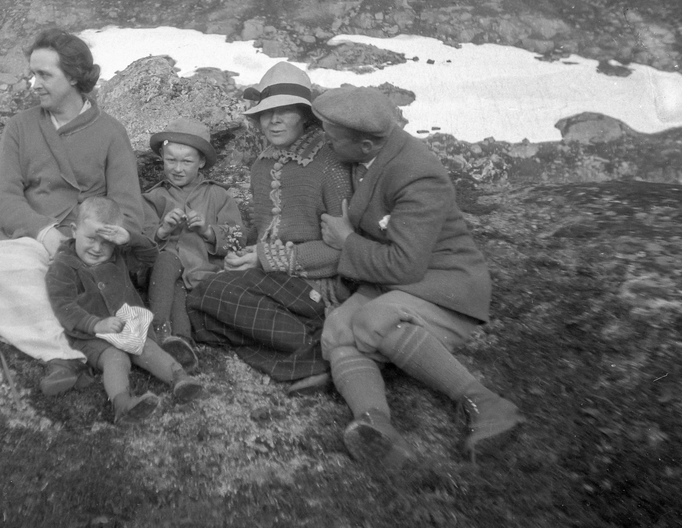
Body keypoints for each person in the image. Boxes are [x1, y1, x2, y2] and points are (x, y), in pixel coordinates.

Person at [314, 86, 523, 467]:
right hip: (400, 284)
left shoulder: (417, 173)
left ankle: (485, 404)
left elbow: (405, 264)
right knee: (337, 329)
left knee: (372, 320)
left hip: (446, 286)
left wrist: (347, 241)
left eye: (332, 138)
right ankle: (375, 425)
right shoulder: (374, 155)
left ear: (364, 145)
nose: (326, 144)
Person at [0, 29, 144, 396]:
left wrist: (92, 242)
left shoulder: (111, 133)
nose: (33, 84)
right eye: (32, 74)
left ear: (74, 77)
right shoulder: (19, 127)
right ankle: (66, 351)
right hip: (29, 239)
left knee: (56, 275)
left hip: (84, 245)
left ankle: (65, 354)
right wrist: (43, 232)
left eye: (44, 75)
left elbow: (128, 209)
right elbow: (5, 200)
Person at [187, 62, 354, 384]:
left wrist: (264, 259)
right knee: (197, 309)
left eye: (285, 111)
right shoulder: (261, 166)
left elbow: (344, 250)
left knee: (214, 292)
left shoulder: (330, 164)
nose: (273, 120)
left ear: (305, 116)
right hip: (273, 277)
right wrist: (217, 236)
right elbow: (261, 232)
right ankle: (308, 354)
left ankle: (325, 347)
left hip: (317, 282)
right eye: (266, 112)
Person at [46, 197, 204, 424]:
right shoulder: (62, 266)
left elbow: (151, 255)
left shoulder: (119, 256)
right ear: (74, 231)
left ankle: (179, 378)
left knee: (147, 348)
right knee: (116, 358)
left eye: (106, 242)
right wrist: (96, 324)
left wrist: (129, 239)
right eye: (90, 238)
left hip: (128, 326)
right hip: (93, 336)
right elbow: (64, 307)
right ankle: (123, 404)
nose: (97, 248)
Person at [142, 118, 244, 370]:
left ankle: (179, 342)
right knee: (167, 264)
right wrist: (163, 229)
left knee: (182, 293)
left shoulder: (218, 195)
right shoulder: (154, 197)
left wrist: (208, 230)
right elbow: (140, 240)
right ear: (162, 158)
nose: (177, 168)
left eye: (186, 161)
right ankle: (163, 331)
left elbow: (238, 238)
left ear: (201, 162)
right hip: (162, 273)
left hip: (202, 274)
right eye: (170, 160)